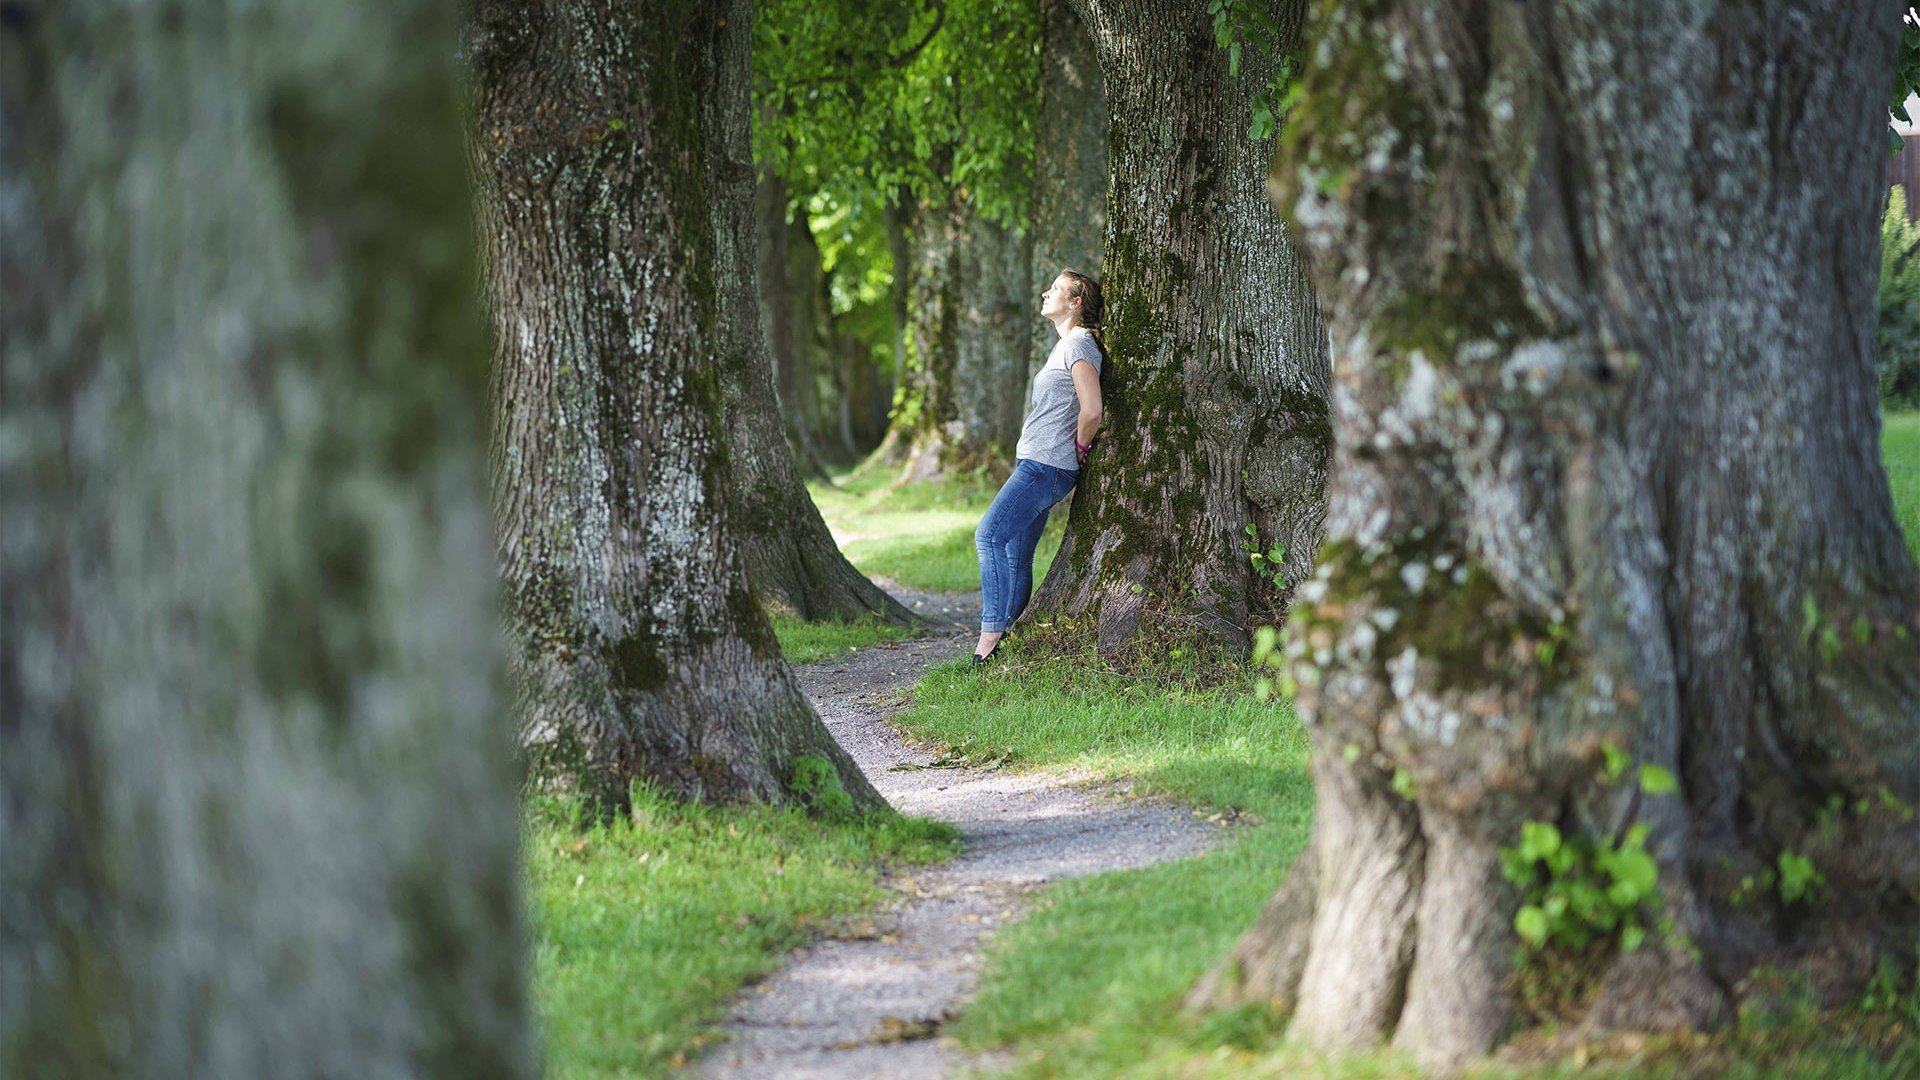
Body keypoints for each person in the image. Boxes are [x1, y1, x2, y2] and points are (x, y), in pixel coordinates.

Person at [972, 270, 1105, 665]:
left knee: (988, 537)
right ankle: (1006, 638)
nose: (1047, 293)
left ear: (1076, 302)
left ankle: (988, 638)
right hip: (1038, 461)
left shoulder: (1079, 345)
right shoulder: (1067, 345)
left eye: (1057, 290)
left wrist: (1082, 446)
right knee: (1015, 556)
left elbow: (1092, 409)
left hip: (1046, 467)